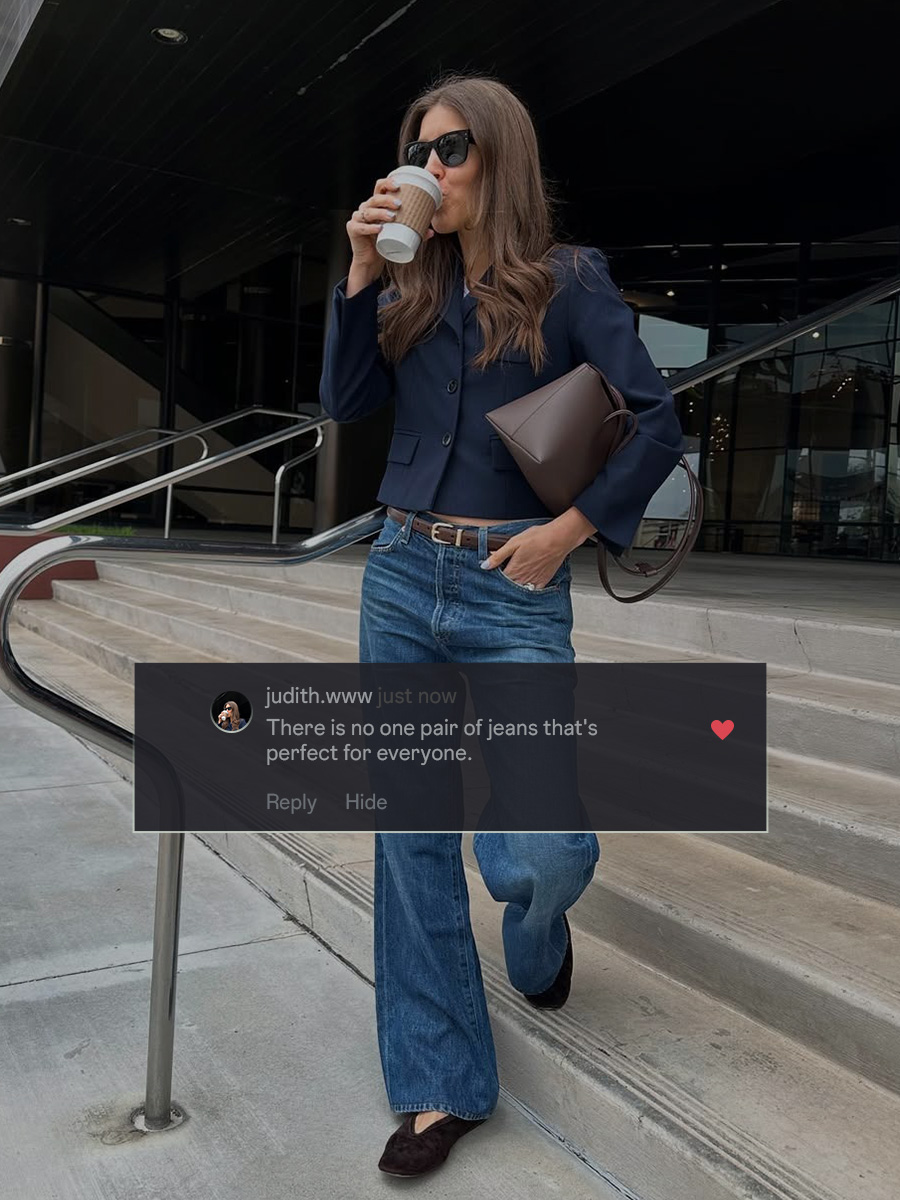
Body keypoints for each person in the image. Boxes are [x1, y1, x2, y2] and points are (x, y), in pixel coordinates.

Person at [319, 72, 685, 1178]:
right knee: (409, 835)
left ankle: (537, 929)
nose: (431, 170)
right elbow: (344, 406)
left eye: (454, 149)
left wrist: (568, 530)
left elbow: (660, 427)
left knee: (542, 845)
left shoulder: (569, 282)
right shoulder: (409, 293)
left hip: (513, 583)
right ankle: (439, 1085)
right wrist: (353, 273)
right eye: (418, 151)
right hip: (398, 571)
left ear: (501, 156)